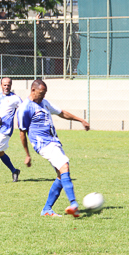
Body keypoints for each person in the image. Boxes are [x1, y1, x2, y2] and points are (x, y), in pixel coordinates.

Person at [18, 79, 90, 217]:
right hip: (43, 143)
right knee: (64, 167)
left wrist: (80, 120)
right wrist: (27, 154)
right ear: (33, 90)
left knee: (61, 176)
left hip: (53, 141)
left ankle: (46, 209)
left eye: (45, 93)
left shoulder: (44, 103)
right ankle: (74, 204)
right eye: (41, 93)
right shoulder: (25, 108)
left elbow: (61, 112)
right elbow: (22, 132)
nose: (43, 96)